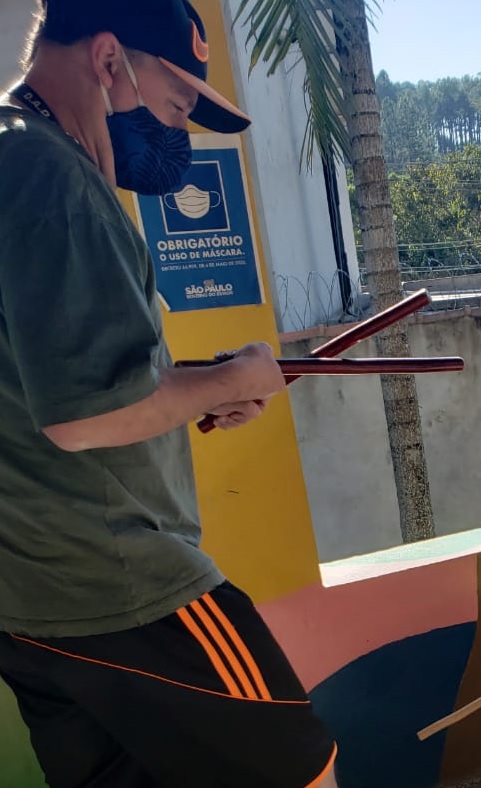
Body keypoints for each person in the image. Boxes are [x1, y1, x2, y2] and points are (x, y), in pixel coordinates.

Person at [0, 1, 337, 786]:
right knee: (305, 769)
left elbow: (48, 382)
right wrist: (235, 377)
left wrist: (192, 393)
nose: (178, 135)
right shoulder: (52, 173)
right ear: (109, 60)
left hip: (29, 598)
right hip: (119, 581)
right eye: (177, 104)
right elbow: (86, 417)